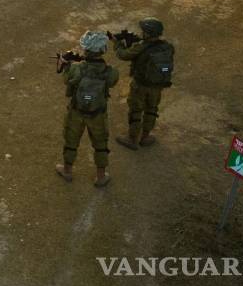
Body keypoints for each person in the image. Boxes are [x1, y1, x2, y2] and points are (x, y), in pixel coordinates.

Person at [56, 31, 119, 187]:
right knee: (100, 143)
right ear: (103, 50)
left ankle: (67, 170)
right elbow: (112, 83)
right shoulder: (110, 72)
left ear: (86, 49)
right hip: (97, 114)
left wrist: (65, 65)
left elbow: (67, 81)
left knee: (71, 140)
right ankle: (101, 176)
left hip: (77, 111)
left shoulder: (76, 69)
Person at [114, 17, 176, 150]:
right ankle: (146, 136)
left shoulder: (141, 47)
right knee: (151, 109)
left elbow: (123, 55)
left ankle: (132, 139)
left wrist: (118, 44)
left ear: (148, 33)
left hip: (140, 85)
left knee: (136, 110)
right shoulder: (167, 47)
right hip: (157, 86)